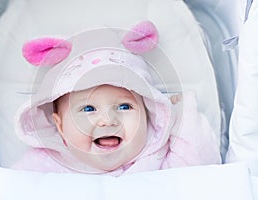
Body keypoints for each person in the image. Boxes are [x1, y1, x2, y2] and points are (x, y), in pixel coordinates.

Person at [13, 22, 221, 176]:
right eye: (88, 109)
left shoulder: (156, 160)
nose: (108, 120)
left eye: (124, 106)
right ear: (59, 125)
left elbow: (200, 170)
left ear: (149, 110)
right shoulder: (43, 165)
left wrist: (183, 118)